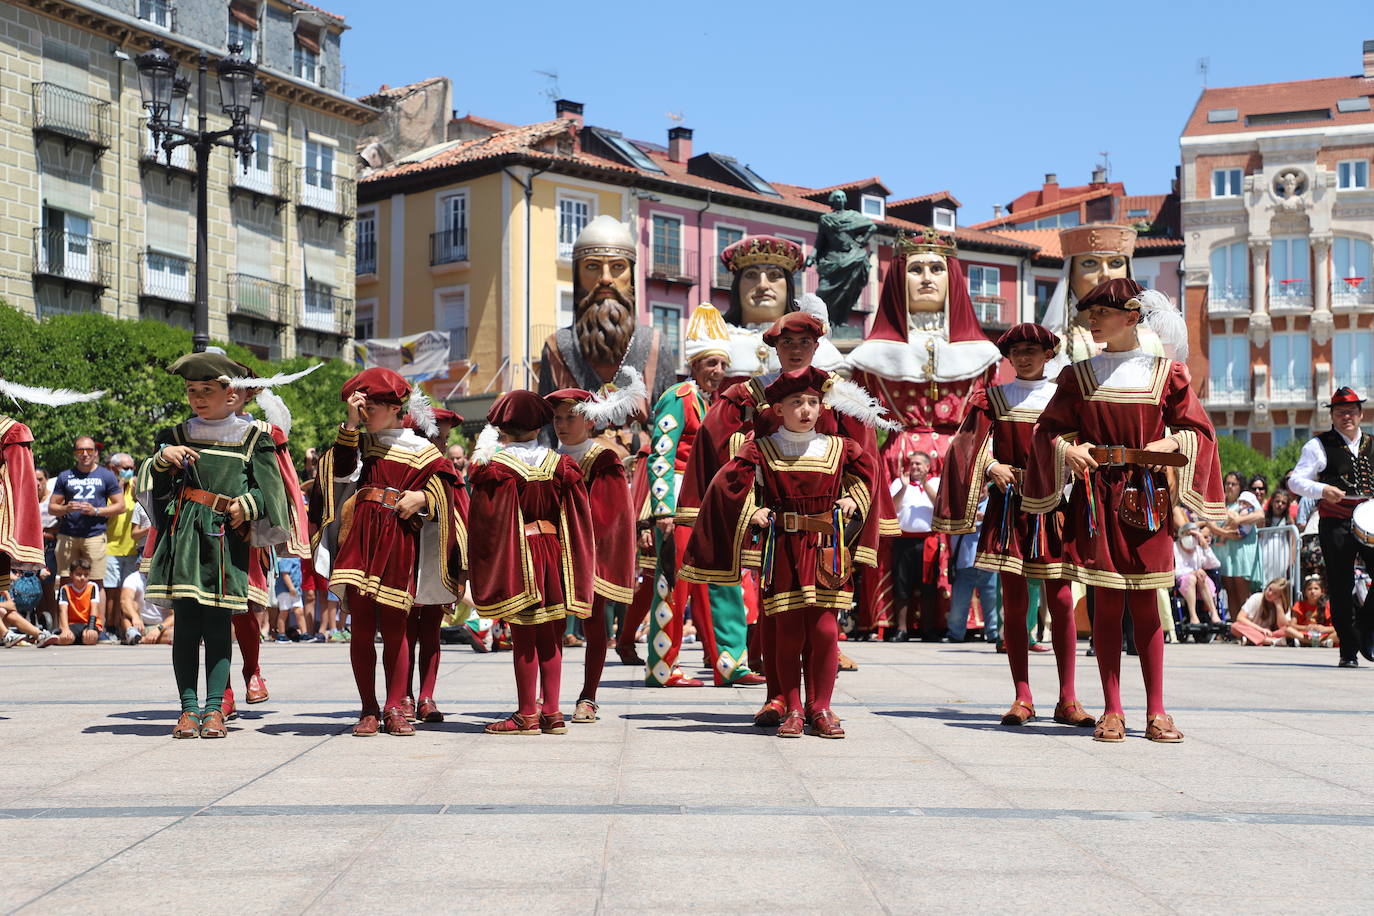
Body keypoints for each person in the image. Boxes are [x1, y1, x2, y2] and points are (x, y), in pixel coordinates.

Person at [1022, 279, 1224, 743]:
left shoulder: (1166, 374)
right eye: (1088, 313)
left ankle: (1157, 711)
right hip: (1095, 498)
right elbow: (1047, 431)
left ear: (1132, 318)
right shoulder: (1077, 375)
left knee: (1147, 603)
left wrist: (1172, 441)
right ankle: (1111, 709)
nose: (1091, 320)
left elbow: (1199, 430)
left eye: (1101, 313)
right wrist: (1066, 450)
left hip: (1147, 495)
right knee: (1106, 602)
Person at [678, 309, 895, 720]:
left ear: (817, 347)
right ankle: (779, 698)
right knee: (776, 611)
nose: (795, 350)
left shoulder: (837, 393)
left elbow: (863, 455)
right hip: (772, 513)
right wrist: (748, 472)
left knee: (821, 619)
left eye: (804, 343)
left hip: (824, 516)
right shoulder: (747, 393)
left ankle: (817, 705)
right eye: (787, 343)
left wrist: (851, 501)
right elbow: (712, 438)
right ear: (774, 348)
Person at [936, 322, 1095, 728]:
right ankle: (1022, 696)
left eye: (1033, 350)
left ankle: (1067, 698)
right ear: (1008, 358)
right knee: (1015, 602)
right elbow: (965, 446)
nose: (1024, 357)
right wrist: (990, 465)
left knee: (1061, 602)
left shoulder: (1066, 397)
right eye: (1017, 351)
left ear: (1048, 355)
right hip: (1010, 508)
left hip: (1055, 507)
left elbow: (1084, 443)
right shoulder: (993, 398)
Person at [844, 229, 1000, 637]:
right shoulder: (870, 357)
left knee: (960, 545)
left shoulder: (983, 356)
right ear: (898, 279)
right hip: (896, 454)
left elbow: (987, 417)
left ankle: (961, 619)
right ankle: (889, 619)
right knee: (898, 547)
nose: (927, 278)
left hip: (960, 456)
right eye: (916, 269)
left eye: (936, 268)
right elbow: (861, 421)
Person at [138, 352, 295, 740]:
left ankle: (214, 710)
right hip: (183, 539)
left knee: (219, 625)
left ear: (232, 395)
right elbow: (150, 487)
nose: (197, 398)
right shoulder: (175, 436)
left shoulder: (254, 437)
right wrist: (160, 460)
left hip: (225, 540)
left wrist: (248, 504)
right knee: (187, 625)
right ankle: (188, 710)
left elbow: (273, 495)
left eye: (207, 390)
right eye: (192, 391)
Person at [312, 367, 467, 736]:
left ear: (396, 408)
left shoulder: (426, 452)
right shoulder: (357, 442)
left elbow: (450, 499)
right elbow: (338, 472)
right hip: (360, 539)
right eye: (360, 407)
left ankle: (395, 706)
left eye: (371, 407)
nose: (364, 414)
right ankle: (368, 708)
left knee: (397, 630)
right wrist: (350, 424)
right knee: (362, 628)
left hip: (399, 541)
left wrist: (424, 497)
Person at [644, 306, 765, 687]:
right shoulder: (677, 397)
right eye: (710, 363)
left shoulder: (720, 405)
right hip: (679, 500)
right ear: (694, 365)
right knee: (675, 582)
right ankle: (662, 667)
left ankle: (730, 664)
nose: (717, 370)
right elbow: (661, 452)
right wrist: (662, 508)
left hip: (711, 503)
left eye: (721, 364)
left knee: (724, 578)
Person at [467, 390, 595, 735]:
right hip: (554, 553)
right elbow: (578, 516)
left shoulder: (497, 468)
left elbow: (485, 524)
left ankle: (527, 714)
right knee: (552, 634)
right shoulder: (560, 464)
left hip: (519, 553)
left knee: (524, 636)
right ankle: (552, 713)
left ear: (503, 428)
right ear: (540, 426)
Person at [545, 382, 637, 722]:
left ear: (590, 421)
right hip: (550, 552)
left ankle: (589, 696)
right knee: (550, 622)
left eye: (571, 417)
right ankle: (547, 697)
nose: (562, 424)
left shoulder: (603, 458)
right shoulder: (548, 459)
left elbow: (611, 513)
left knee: (594, 623)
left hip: (589, 553)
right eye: (557, 418)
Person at [538, 215, 675, 430]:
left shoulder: (656, 345)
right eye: (592, 267)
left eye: (618, 266)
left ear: (631, 276)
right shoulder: (556, 348)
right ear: (577, 274)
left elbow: (672, 427)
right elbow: (546, 433)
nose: (605, 278)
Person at [1286, 387, 1374, 667]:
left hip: (1370, 520)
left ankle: (1361, 628)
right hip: (1335, 521)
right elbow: (1295, 481)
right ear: (1332, 416)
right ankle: (1348, 650)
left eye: (1350, 411)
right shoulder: (1318, 445)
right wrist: (1323, 489)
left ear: (1361, 414)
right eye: (1339, 412)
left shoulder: (1373, 443)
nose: (1346, 416)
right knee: (1340, 585)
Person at [402, 406, 469, 725]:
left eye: (443, 438)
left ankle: (426, 696)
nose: (441, 444)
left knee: (430, 630)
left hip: (434, 557)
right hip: (404, 553)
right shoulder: (404, 463)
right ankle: (402, 695)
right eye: (434, 436)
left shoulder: (450, 472)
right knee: (402, 629)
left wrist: (462, 567)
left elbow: (462, 516)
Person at [50, 438, 125, 612]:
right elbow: (52, 508)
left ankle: (98, 627)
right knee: (66, 579)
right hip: (67, 534)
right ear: (75, 453)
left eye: (89, 450)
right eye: (81, 450)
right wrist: (65, 508)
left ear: (96, 453)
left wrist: (96, 511)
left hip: (95, 535)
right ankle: (66, 625)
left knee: (97, 581)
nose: (85, 454)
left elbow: (120, 506)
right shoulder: (65, 475)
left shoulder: (106, 475)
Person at [101, 452, 150, 644]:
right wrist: (118, 490)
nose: (130, 472)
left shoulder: (135, 488)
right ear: (113, 469)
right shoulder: (107, 488)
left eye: (132, 468)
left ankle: (125, 628)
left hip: (133, 549)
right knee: (112, 591)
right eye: (126, 468)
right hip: (111, 547)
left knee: (127, 591)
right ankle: (111, 627)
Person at [1209, 471, 1264, 620]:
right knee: (1230, 592)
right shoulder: (1220, 501)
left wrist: (1238, 520)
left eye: (1233, 484)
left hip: (1242, 551)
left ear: (1240, 486)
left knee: (1242, 592)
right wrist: (1226, 534)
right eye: (1227, 483)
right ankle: (1236, 628)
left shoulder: (1246, 498)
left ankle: (1249, 629)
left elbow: (1260, 515)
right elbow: (1210, 524)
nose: (1229, 487)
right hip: (1225, 552)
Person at [1174, 523, 1222, 627]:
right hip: (1183, 581)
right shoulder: (1175, 547)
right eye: (1188, 534)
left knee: (1201, 576)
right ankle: (1193, 616)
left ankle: (1214, 613)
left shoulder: (1198, 549)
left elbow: (1215, 564)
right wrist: (1192, 572)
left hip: (1200, 581)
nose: (1191, 538)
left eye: (1194, 535)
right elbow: (1176, 571)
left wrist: (1205, 545)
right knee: (1191, 578)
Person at [1231, 578, 1302, 646]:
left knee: (1287, 629)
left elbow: (1282, 626)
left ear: (1281, 596)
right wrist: (1261, 630)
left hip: (1270, 633)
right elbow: (1240, 618)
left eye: (1275, 593)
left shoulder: (1283, 605)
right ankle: (1270, 641)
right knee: (1235, 626)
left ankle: (1255, 640)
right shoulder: (1256, 597)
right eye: (1270, 589)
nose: (1270, 593)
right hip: (1254, 630)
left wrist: (1278, 606)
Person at [56, 557, 103, 645]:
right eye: (78, 574)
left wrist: (91, 627)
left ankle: (81, 637)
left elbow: (94, 608)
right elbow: (63, 610)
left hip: (88, 623)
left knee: (89, 639)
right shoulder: (65, 589)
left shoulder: (93, 587)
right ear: (71, 575)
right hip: (72, 624)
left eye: (86, 575)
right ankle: (59, 638)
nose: (82, 578)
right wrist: (65, 629)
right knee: (66, 639)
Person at [121, 567, 173, 645]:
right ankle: (131, 633)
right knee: (131, 605)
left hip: (161, 626)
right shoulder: (133, 578)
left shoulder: (169, 580)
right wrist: (135, 616)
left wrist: (159, 628)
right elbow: (124, 601)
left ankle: (141, 640)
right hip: (137, 624)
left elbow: (175, 615)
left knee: (173, 635)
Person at [1291, 575, 1336, 647]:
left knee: (1340, 633)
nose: (1312, 591)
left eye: (1316, 588)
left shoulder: (1328, 605)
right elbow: (1292, 625)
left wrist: (1324, 629)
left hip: (1323, 634)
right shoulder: (1299, 605)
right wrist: (1306, 628)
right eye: (1309, 589)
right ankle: (1321, 643)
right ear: (1305, 592)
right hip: (1305, 633)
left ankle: (1308, 642)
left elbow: (1335, 627)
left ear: (1322, 591)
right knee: (1288, 630)